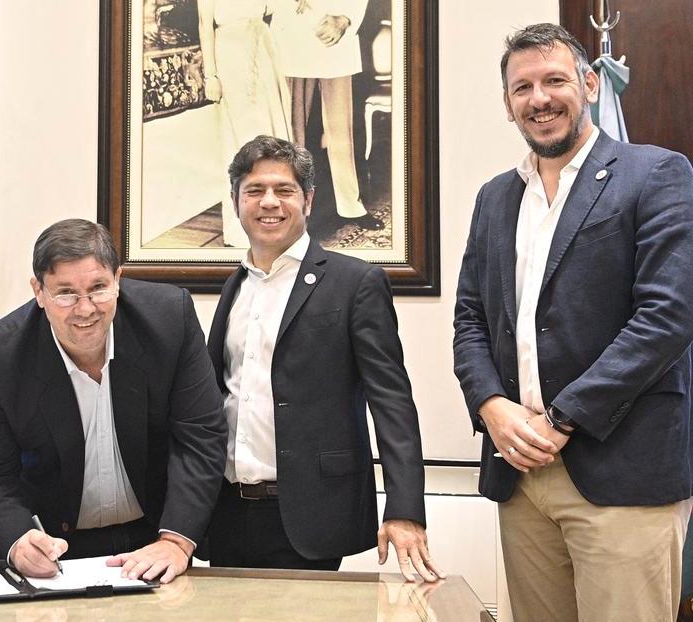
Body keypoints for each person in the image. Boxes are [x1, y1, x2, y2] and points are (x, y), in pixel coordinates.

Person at [453, 23, 693, 621]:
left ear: (588, 84)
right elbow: (471, 319)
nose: (539, 99)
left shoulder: (656, 174)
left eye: (554, 80)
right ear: (507, 104)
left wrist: (565, 417)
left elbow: (667, 315)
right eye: (522, 87)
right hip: (519, 476)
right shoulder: (495, 198)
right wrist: (491, 405)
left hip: (621, 472)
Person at [206, 135, 439, 581]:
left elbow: (391, 401)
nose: (269, 202)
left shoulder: (355, 283)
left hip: (311, 513)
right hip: (228, 512)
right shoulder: (235, 286)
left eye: (284, 190)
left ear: (308, 200)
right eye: (254, 191)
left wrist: (405, 507)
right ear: (235, 202)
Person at [0, 218, 227, 583]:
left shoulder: (169, 320)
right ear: (38, 292)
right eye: (66, 293)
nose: (85, 309)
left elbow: (200, 436)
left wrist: (177, 540)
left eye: (98, 288)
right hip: (54, 547)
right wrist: (19, 539)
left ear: (118, 280)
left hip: (154, 536)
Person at [269, 0, 383, 230]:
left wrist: (346, 19)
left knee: (342, 130)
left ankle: (350, 205)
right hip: (293, 34)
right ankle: (292, 207)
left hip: (334, 37)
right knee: (293, 131)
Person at [197, 0, 292, 247]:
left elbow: (272, 7)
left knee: (272, 135)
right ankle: (242, 229)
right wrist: (211, 76)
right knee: (240, 141)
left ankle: (277, 222)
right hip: (231, 54)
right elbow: (205, 24)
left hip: (263, 47)